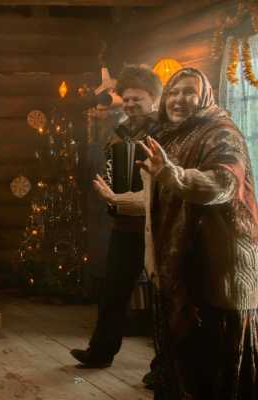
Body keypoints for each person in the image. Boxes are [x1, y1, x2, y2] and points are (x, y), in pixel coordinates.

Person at [137, 67, 258, 399]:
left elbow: (224, 183)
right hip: (182, 262)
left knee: (214, 363)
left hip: (219, 262)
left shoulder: (221, 133)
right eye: (173, 92)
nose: (179, 99)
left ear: (204, 97)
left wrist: (173, 175)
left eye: (189, 92)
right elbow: (163, 195)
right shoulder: (171, 135)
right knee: (185, 357)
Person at [70, 66, 162, 378]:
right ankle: (100, 352)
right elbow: (110, 164)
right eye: (127, 99)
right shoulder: (119, 131)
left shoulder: (165, 131)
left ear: (153, 98)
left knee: (161, 297)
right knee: (113, 290)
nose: (131, 104)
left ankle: (163, 368)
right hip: (125, 223)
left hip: (158, 224)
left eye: (138, 99)